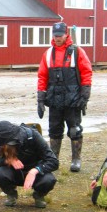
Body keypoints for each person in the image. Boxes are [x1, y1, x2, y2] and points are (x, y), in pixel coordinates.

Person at [37, 22, 92, 172]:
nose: (57, 38)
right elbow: (42, 76)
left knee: (75, 130)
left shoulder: (77, 52)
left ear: (66, 34)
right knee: (54, 130)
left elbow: (86, 72)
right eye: (55, 36)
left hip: (73, 99)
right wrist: (40, 99)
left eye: (60, 35)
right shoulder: (47, 54)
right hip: (54, 99)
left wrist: (85, 95)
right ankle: (53, 159)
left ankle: (76, 159)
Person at [0, 121, 58, 208]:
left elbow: (53, 161)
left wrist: (35, 170)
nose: (1, 147)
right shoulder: (1, 140)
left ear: (11, 142)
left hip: (36, 175)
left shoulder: (34, 136)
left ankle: (39, 196)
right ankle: (11, 194)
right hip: (15, 173)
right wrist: (8, 160)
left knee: (49, 180)